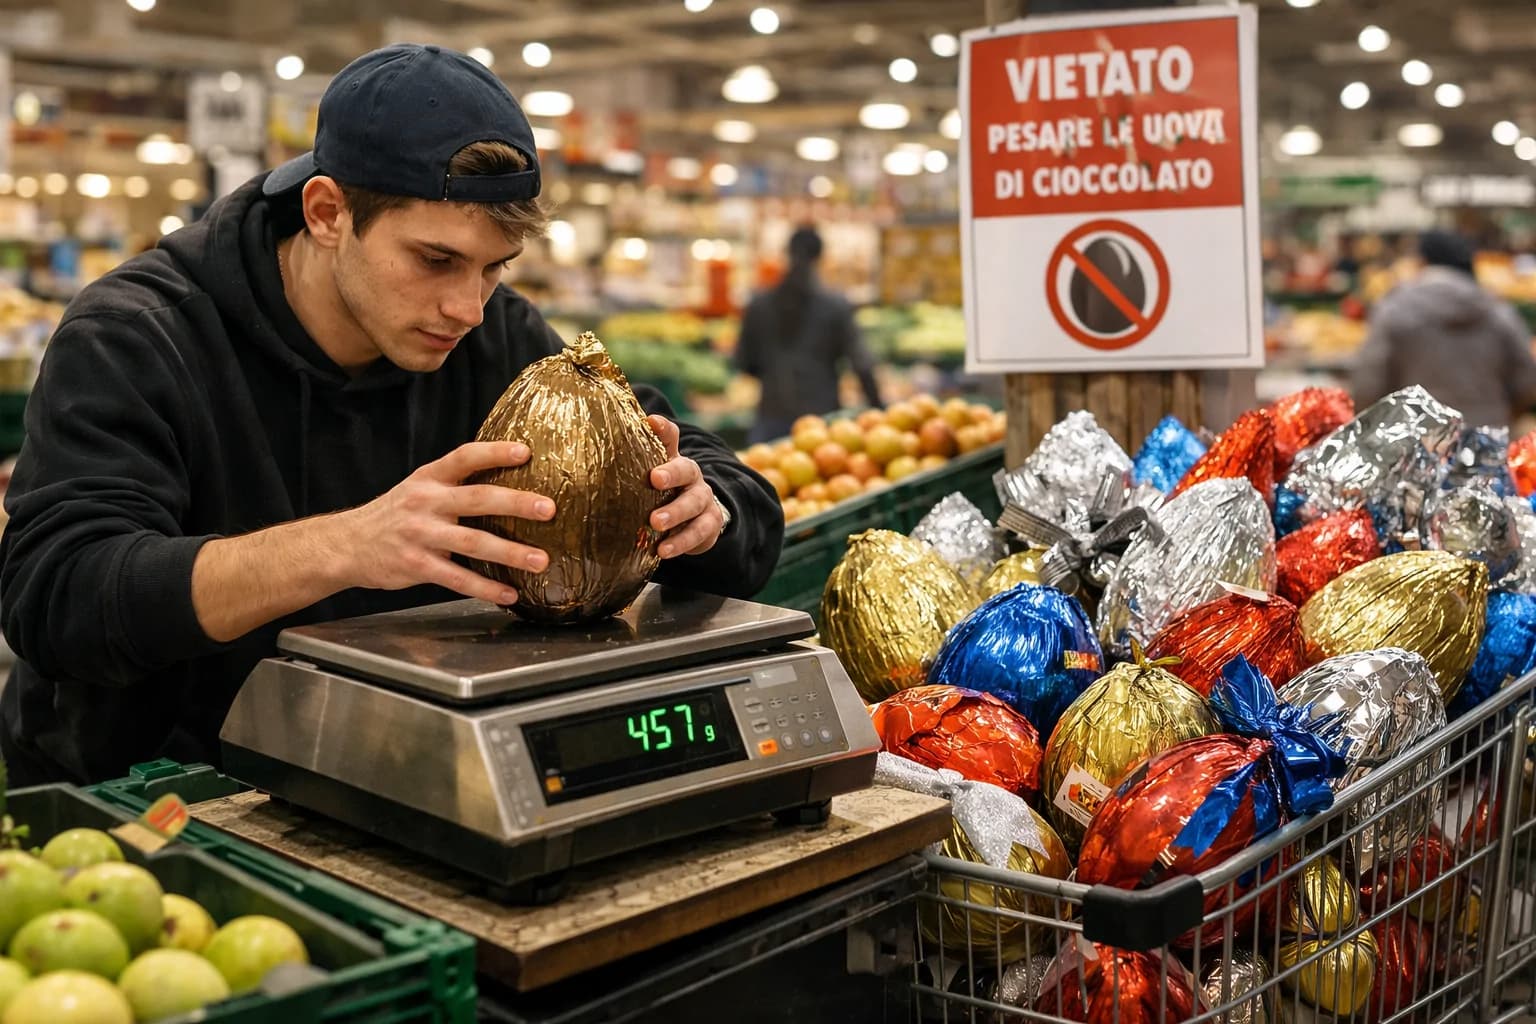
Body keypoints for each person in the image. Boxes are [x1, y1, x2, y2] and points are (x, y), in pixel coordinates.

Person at [0, 44, 784, 786]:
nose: (468, 307)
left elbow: (733, 497)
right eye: (434, 260)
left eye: (493, 269)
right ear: (327, 212)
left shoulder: (494, 334)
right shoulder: (139, 335)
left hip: (386, 780)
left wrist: (700, 511)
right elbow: (57, 595)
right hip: (156, 811)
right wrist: (347, 545)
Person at [1352, 229, 1536, 428]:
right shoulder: (1498, 311)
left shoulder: (1395, 310)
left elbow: (1367, 388)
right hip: (1488, 437)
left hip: (1416, 442)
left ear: (1422, 261)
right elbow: (1527, 383)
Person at [734, 227, 881, 443]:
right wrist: (878, 410)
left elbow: (744, 363)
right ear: (821, 257)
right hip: (821, 425)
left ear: (787, 253)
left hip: (770, 421)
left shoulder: (759, 304)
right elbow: (862, 364)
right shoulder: (835, 306)